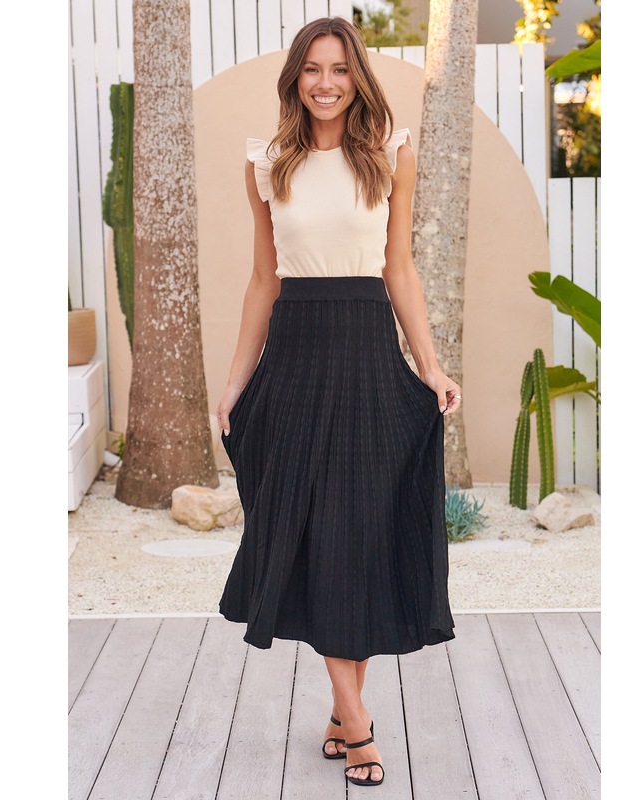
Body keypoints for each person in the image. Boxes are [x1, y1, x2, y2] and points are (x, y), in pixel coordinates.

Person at [216, 16, 462, 788]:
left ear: (357, 78)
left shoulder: (391, 154)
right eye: (313, 69)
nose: (326, 83)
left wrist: (430, 366)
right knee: (312, 536)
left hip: (367, 358)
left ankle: (340, 713)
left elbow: (400, 270)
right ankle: (357, 722)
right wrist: (235, 381)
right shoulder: (266, 164)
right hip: (294, 360)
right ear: (295, 78)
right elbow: (264, 281)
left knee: (355, 539)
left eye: (340, 69)